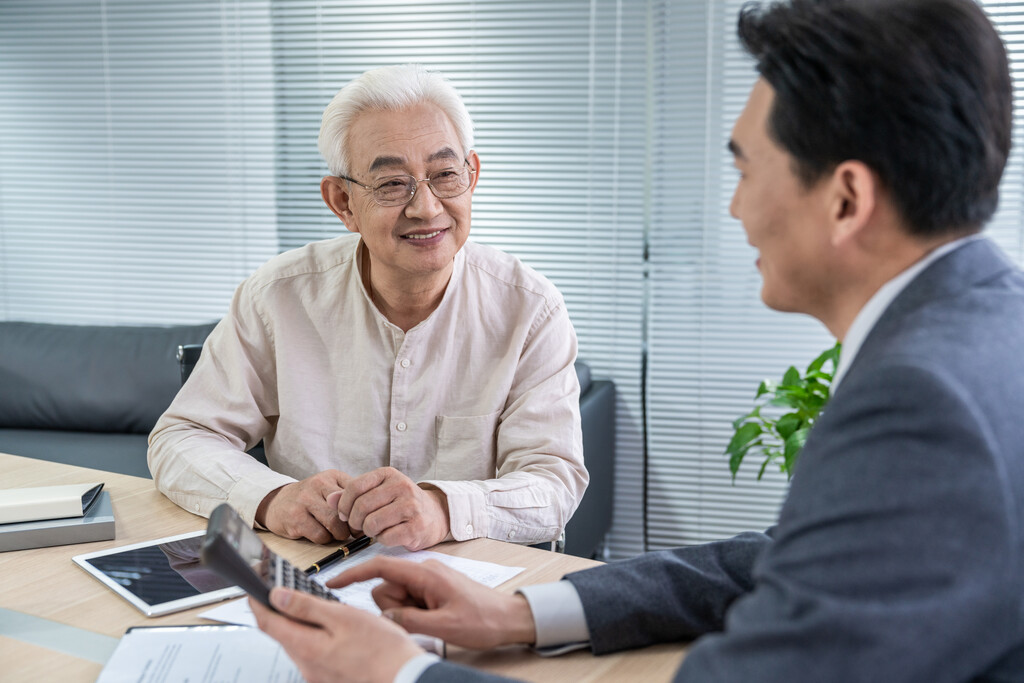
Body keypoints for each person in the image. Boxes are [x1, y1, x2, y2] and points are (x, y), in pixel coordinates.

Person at [248, 0, 1024, 681]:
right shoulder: (980, 329)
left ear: (847, 197)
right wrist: (522, 611)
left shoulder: (921, 398)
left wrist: (399, 673)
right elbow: (783, 558)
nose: (734, 210)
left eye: (746, 169)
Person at [148, 64, 588, 551]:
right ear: (342, 202)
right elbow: (181, 438)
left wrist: (442, 509)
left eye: (445, 175)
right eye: (393, 184)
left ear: (472, 175)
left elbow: (554, 482)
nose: (426, 208)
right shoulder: (278, 296)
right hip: (313, 577)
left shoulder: (530, 310)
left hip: (468, 589)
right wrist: (273, 498)